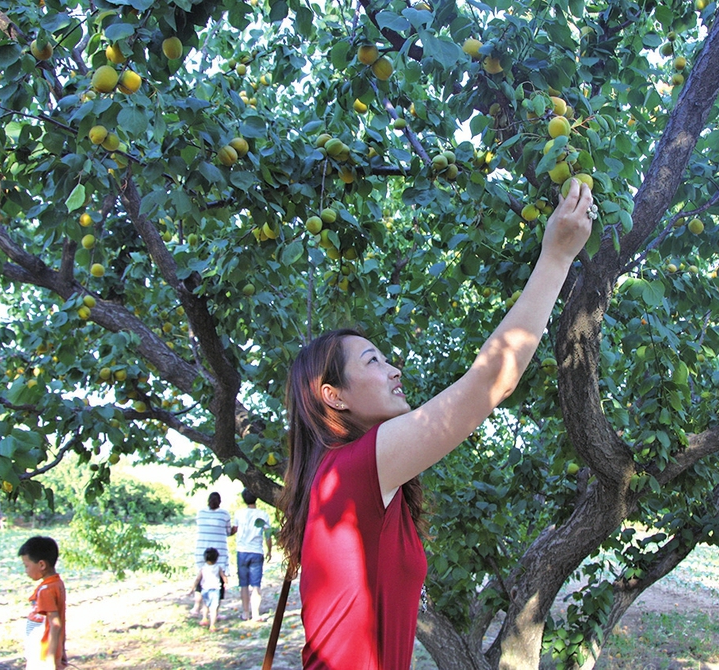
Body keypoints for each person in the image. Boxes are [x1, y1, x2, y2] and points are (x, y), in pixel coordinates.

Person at [277, 179, 593, 668]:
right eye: (373, 361)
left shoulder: (352, 481)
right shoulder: (350, 472)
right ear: (332, 396)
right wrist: (556, 257)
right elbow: (490, 381)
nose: (394, 369)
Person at [18, 536, 67, 670]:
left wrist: (50, 659)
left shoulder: (46, 590)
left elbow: (55, 624)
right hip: (46, 651)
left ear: (41, 565)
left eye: (26, 566)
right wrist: (61, 650)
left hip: (42, 654)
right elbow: (61, 620)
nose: (25, 570)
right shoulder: (57, 583)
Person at [191, 491, 235, 615]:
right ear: (220, 502)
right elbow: (228, 532)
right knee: (218, 584)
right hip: (218, 554)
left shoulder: (200, 513)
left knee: (201, 581)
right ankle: (215, 611)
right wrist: (234, 531)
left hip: (202, 551)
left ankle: (196, 607)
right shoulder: (224, 514)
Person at [234, 488, 273, 621]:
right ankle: (255, 614)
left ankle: (245, 612)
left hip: (242, 551)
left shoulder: (239, 514)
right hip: (256, 551)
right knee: (256, 584)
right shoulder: (263, 514)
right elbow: (267, 534)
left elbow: (235, 529)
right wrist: (269, 550)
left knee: (243, 584)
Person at [188, 547, 228, 631]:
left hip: (205, 589)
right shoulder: (218, 567)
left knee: (205, 605)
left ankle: (204, 618)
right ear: (217, 558)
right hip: (215, 590)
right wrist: (226, 583)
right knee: (214, 608)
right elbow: (223, 577)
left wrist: (192, 588)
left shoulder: (203, 568)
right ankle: (212, 625)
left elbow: (197, 579)